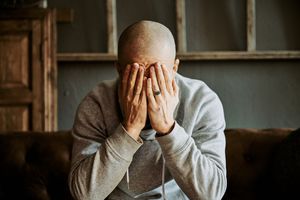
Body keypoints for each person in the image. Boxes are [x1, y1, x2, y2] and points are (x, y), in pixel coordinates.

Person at [68, 20, 227, 200]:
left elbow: (211, 194)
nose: (147, 84)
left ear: (174, 68)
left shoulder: (201, 101)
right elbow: (84, 194)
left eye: (156, 73)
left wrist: (168, 129)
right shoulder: (96, 103)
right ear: (119, 70)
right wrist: (129, 129)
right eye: (136, 73)